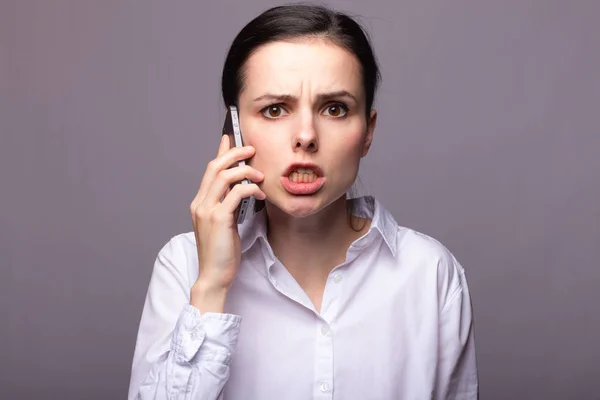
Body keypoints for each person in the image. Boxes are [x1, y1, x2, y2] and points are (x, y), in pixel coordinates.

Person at [128, 4, 478, 399]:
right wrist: (210, 287)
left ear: (368, 131)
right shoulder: (183, 268)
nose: (306, 136)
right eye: (275, 109)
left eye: (335, 109)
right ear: (235, 132)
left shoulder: (429, 274)